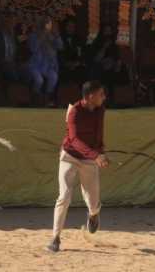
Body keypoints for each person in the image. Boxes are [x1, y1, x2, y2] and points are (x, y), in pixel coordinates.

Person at [48, 80, 110, 253]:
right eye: (101, 94)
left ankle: (93, 214)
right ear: (90, 96)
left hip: (89, 160)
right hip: (69, 157)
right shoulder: (74, 111)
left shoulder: (100, 110)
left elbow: (99, 134)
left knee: (93, 201)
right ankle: (55, 238)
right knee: (64, 196)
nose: (104, 97)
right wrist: (95, 155)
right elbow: (74, 140)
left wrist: (101, 152)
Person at [27, 17, 63, 105]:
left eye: (50, 24)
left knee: (53, 77)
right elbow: (33, 48)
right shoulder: (33, 36)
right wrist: (42, 36)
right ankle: (35, 98)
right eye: (48, 24)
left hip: (48, 65)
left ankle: (47, 98)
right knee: (39, 80)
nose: (50, 26)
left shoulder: (53, 36)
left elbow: (60, 47)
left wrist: (56, 36)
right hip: (36, 64)